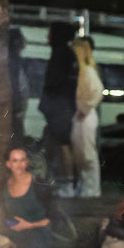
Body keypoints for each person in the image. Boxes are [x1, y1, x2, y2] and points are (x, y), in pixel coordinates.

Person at [0, 147, 56, 248]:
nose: (19, 165)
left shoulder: (39, 184)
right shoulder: (2, 186)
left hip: (37, 229)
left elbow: (52, 217)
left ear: (27, 162)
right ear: (8, 164)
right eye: (15, 161)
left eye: (22, 160)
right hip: (12, 230)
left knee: (31, 244)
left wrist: (29, 225)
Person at [39, 22, 78, 197]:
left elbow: (55, 83)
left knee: (63, 145)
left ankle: (68, 184)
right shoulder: (63, 54)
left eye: (50, 32)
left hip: (61, 109)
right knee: (57, 145)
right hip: (59, 108)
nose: (47, 36)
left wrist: (50, 103)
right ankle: (58, 182)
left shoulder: (62, 55)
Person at [70, 37, 103, 197]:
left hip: (86, 115)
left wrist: (85, 108)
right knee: (81, 153)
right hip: (83, 114)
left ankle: (92, 189)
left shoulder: (88, 71)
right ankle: (86, 188)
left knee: (87, 154)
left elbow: (98, 92)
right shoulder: (85, 70)